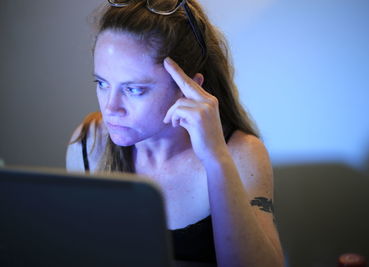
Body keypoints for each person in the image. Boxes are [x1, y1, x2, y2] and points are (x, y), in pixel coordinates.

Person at [66, 0, 284, 266]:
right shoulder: (89, 144)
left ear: (188, 87)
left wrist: (216, 160)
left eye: (134, 90)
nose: (111, 108)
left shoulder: (240, 153)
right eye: (101, 83)